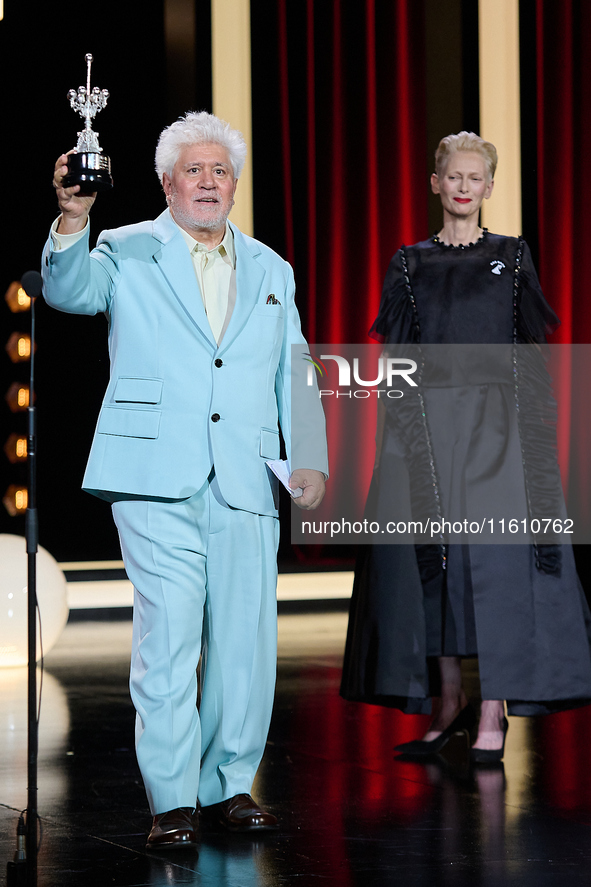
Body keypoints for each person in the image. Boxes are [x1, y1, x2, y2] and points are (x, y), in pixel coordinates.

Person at [42, 111, 328, 849]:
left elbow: (293, 367)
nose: (207, 182)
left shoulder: (271, 266)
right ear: (167, 181)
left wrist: (310, 456)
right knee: (168, 638)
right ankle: (172, 798)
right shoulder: (126, 247)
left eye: (219, 171)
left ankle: (228, 785)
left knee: (244, 642)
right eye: (192, 171)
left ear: (234, 184)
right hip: (152, 473)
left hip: (243, 475)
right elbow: (69, 292)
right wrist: (72, 217)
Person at [340, 131, 591, 762]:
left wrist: (534, 442)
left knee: (496, 564)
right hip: (425, 425)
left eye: (475, 178)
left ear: (488, 187)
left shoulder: (512, 255)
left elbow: (527, 358)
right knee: (433, 562)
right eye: (453, 176)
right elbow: (398, 359)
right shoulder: (409, 262)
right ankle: (448, 701)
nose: (462, 187)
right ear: (435, 182)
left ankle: (493, 711)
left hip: (495, 426)